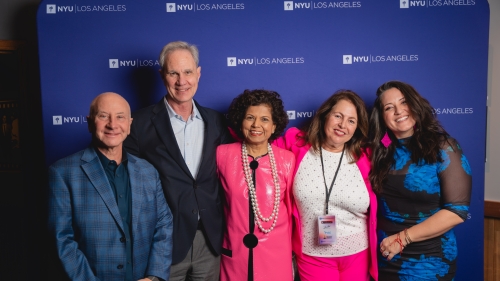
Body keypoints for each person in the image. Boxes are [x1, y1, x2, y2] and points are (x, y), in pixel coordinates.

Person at [124, 41, 233, 280]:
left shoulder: (216, 122)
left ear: (198, 73)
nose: (181, 81)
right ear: (162, 74)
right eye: (173, 73)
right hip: (162, 244)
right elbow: (127, 187)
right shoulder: (138, 124)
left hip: (210, 242)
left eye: (187, 72)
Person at [48, 92, 173, 281]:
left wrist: (154, 276)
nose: (112, 124)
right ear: (90, 122)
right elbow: (62, 240)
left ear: (130, 124)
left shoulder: (148, 171)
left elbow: (163, 224)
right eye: (103, 116)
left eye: (120, 117)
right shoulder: (63, 173)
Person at [369, 81, 472, 280]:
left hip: (428, 261)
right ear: (382, 117)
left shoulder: (444, 147)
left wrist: (402, 239)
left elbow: (456, 212)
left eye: (404, 102)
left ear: (415, 105)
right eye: (389, 108)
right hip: (384, 258)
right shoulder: (380, 152)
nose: (399, 111)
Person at [274, 90, 378, 281]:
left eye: (351, 121)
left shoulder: (366, 157)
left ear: (357, 128)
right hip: (312, 255)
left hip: (357, 254)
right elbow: (258, 144)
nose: (342, 125)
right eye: (338, 116)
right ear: (324, 116)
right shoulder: (295, 144)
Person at [216, 89, 295, 281]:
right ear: (240, 121)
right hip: (235, 255)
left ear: (274, 125)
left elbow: (293, 210)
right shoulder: (222, 155)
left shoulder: (287, 160)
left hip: (276, 256)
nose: (256, 125)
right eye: (250, 117)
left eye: (265, 119)